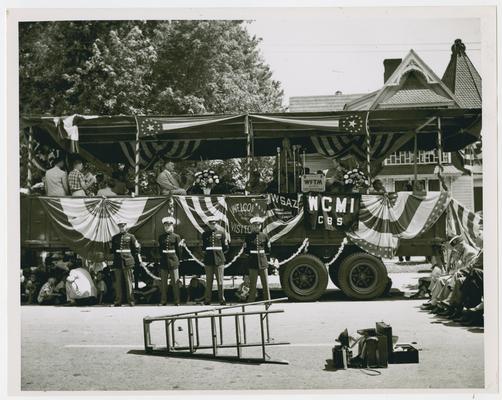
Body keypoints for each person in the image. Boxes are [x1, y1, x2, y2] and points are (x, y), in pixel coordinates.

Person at [110, 219, 141, 306]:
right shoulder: (115, 238)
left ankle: (131, 301)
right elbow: (112, 250)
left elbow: (136, 249)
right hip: (118, 262)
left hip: (128, 261)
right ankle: (118, 301)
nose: (121, 228)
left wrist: (133, 259)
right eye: (120, 226)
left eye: (123, 226)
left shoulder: (131, 237)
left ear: (126, 226)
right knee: (118, 283)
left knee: (129, 282)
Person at [244, 216, 271, 302]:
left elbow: (268, 250)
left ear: (261, 226)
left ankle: (267, 300)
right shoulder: (248, 237)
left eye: (258, 225)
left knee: (265, 283)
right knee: (253, 283)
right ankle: (251, 300)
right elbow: (246, 251)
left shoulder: (264, 236)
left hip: (263, 262)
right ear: (252, 226)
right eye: (255, 225)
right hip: (253, 262)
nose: (257, 227)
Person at [202, 216, 228, 305]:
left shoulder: (221, 233)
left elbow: (225, 247)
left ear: (216, 223)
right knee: (209, 281)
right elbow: (203, 248)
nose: (213, 225)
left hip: (219, 260)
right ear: (208, 224)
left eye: (214, 223)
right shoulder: (205, 234)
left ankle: (221, 299)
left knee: (220, 281)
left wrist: (219, 255)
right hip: (208, 260)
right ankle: (207, 299)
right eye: (211, 223)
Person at [158, 216, 182, 306]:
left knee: (175, 282)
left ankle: (177, 301)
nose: (167, 227)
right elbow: (160, 250)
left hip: (173, 261)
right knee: (163, 283)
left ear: (172, 226)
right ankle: (163, 301)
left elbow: (179, 251)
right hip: (164, 261)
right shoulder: (161, 237)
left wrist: (176, 260)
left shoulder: (176, 237)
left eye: (168, 225)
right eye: (165, 226)